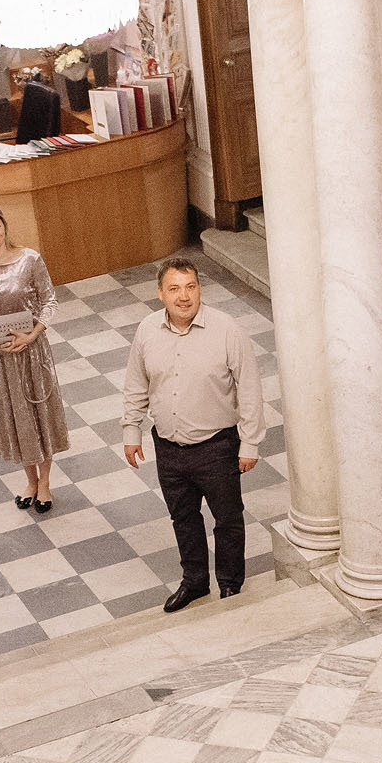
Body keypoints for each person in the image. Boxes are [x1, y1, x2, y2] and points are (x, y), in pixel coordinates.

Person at [121, 257, 262, 613]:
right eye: (174, 289)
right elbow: (136, 383)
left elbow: (249, 388)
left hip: (217, 446)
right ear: (160, 293)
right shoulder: (147, 330)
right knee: (183, 518)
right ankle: (195, 582)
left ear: (200, 289)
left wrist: (250, 442)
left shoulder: (226, 329)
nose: (183, 297)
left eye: (190, 287)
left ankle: (230, 584)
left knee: (227, 520)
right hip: (168, 448)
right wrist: (131, 430)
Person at [0, 203, 68, 513]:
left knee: (39, 412)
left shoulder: (29, 259)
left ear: (5, 226)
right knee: (16, 417)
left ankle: (45, 482)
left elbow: (49, 302)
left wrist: (32, 335)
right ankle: (30, 481)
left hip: (32, 351)